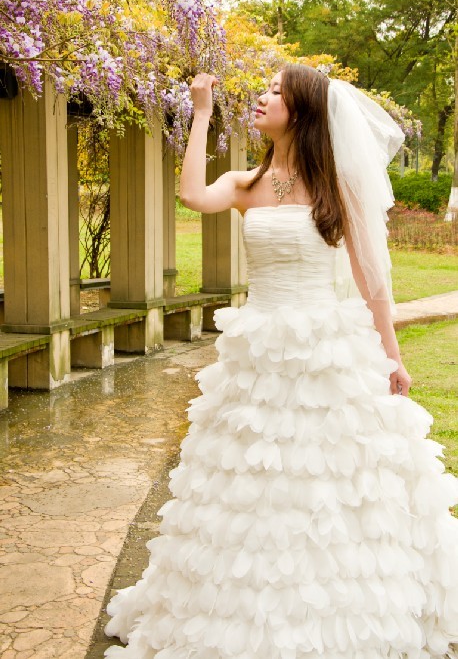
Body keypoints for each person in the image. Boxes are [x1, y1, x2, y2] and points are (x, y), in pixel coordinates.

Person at [104, 65, 458, 658]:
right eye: (265, 89)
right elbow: (192, 196)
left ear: (304, 112)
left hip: (325, 352)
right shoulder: (245, 182)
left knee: (331, 479)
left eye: (276, 92)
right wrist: (200, 115)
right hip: (257, 356)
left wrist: (391, 358)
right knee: (251, 478)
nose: (263, 98)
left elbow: (372, 283)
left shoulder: (336, 188)